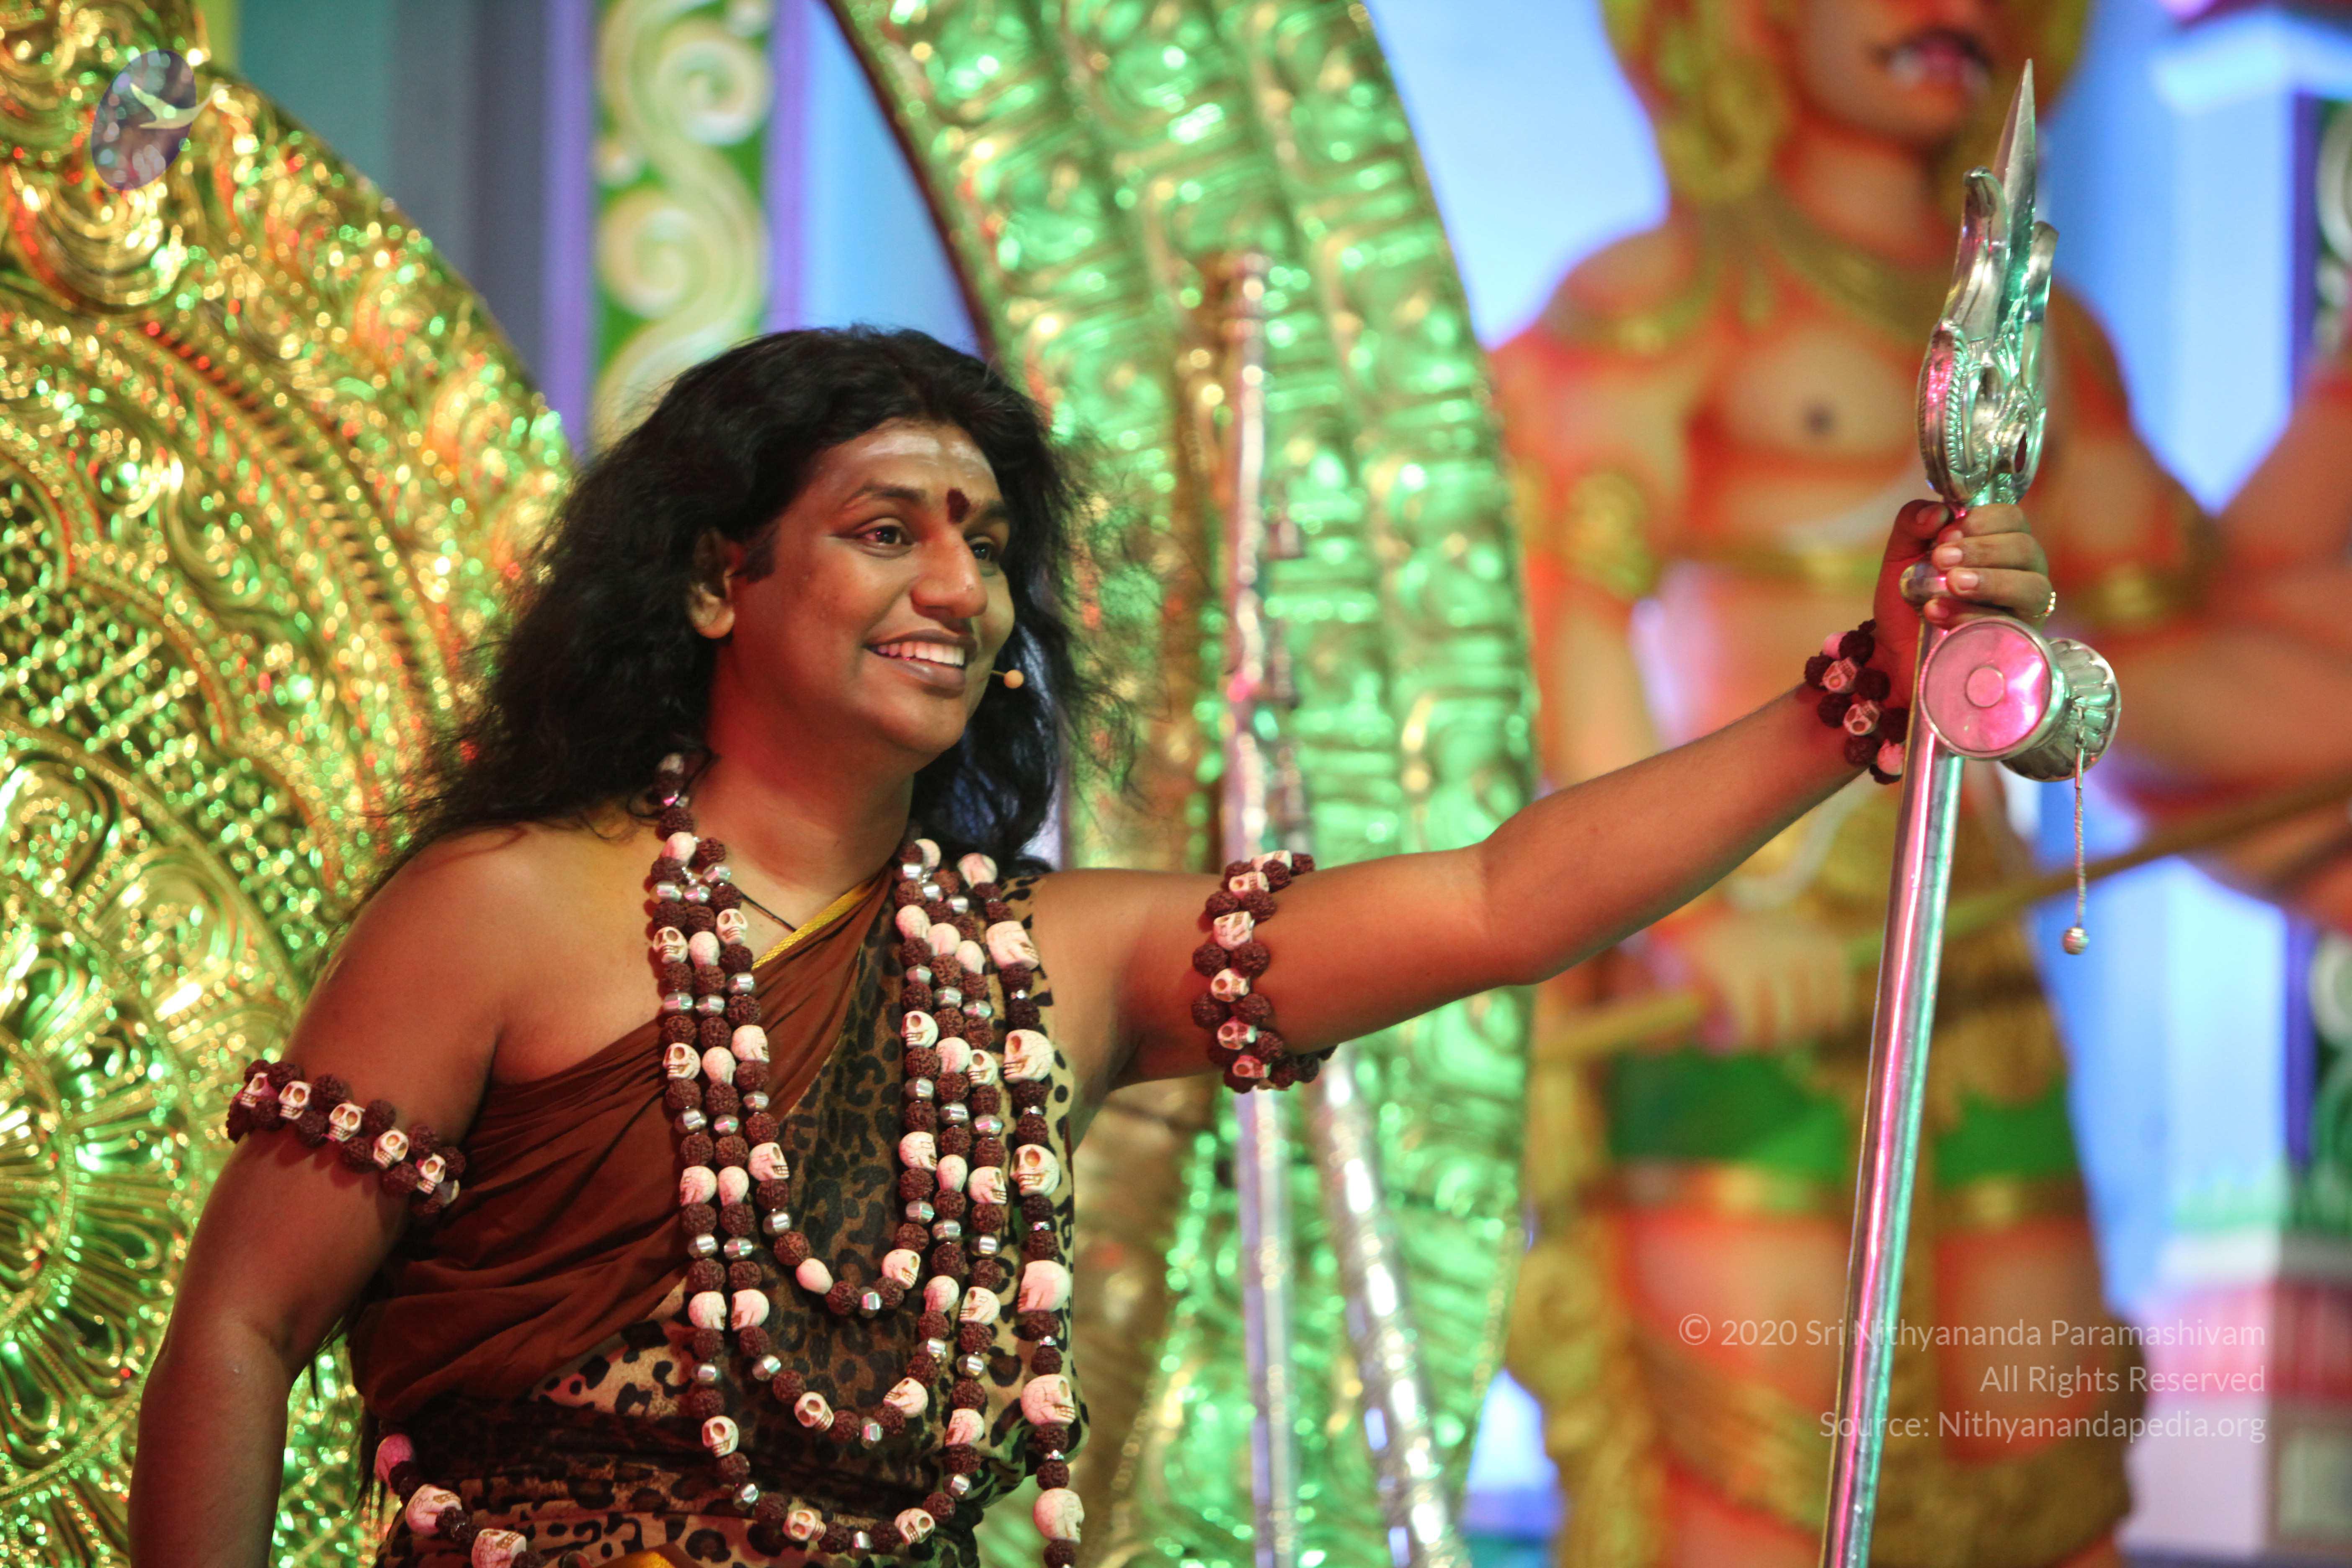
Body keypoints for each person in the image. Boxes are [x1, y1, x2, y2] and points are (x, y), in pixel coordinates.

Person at [128, 327, 2053, 1568]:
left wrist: (1857, 699)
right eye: (887, 530)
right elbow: (242, 1327)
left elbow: (1499, 902)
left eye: (985, 545)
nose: (956, 588)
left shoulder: (1040, 963)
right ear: (720, 579)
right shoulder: (504, 911)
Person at [1492, 0, 2352, 1559]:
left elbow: (2166, 654)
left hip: (1977, 970)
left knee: (2044, 1455)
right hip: (1745, 989)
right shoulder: (1672, 300)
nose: (1946, 11)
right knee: (1755, 1470)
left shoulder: (2058, 347)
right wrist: (1697, 923)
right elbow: (1562, 608)